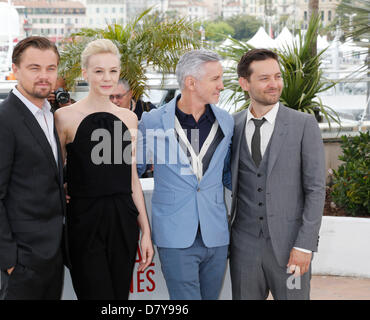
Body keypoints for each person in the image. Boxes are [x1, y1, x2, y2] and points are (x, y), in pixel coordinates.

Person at [54, 39, 153, 300]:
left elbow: (131, 179)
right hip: (84, 220)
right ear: (85, 73)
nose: (107, 78)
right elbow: (54, 173)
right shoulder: (64, 117)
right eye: (99, 71)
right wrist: (64, 188)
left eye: (113, 71)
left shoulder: (129, 118)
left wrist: (146, 232)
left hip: (123, 220)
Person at [136, 50, 233, 300]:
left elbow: (227, 173)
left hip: (216, 235)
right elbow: (131, 172)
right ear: (191, 82)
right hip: (175, 235)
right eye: (215, 79)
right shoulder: (153, 120)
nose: (221, 85)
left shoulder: (227, 122)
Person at [229, 49, 325, 300]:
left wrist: (305, 245)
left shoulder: (304, 125)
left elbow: (316, 190)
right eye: (264, 78)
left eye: (277, 76)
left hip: (291, 250)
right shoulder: (232, 126)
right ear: (244, 83)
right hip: (244, 249)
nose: (274, 85)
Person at [0, 36, 67, 300]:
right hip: (23, 259)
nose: (44, 76)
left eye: (50, 68)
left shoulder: (49, 114)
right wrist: (10, 261)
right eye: (34, 68)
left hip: (52, 253)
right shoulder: (0, 121)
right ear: (15, 69)